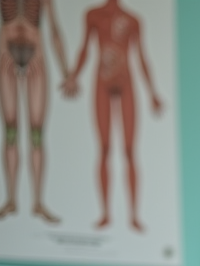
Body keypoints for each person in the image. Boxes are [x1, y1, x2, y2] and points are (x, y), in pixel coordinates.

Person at [63, 0, 164, 232]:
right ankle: (106, 213)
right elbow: (84, 48)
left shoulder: (133, 20)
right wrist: (74, 76)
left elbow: (142, 57)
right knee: (105, 148)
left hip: (127, 82)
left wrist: (152, 93)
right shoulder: (93, 15)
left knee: (129, 150)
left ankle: (134, 215)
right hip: (102, 82)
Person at [0, 0, 69, 223]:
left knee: (36, 133)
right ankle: (11, 199)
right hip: (6, 57)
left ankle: (37, 202)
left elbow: (54, 30)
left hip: (35, 57)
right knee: (10, 130)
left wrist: (66, 72)